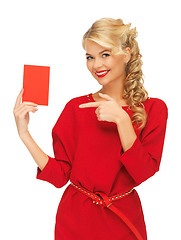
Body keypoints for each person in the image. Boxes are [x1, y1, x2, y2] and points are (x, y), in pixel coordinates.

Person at [13, 17, 168, 240]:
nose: (96, 65)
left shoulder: (154, 108)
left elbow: (143, 172)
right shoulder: (76, 107)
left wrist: (122, 121)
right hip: (76, 219)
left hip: (123, 217)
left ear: (127, 53)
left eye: (105, 54)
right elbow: (59, 176)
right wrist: (24, 133)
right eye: (89, 57)